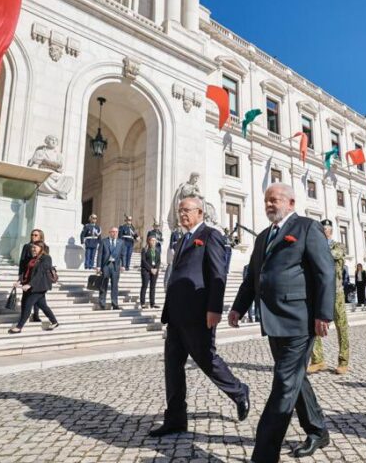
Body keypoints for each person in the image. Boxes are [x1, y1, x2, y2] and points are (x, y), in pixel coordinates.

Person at [229, 183, 334, 462]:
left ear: (290, 202)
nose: (269, 205)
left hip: (300, 320)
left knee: (284, 384)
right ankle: (318, 429)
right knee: (294, 379)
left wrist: (324, 313)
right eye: (266, 201)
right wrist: (238, 308)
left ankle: (263, 455)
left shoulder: (307, 227)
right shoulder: (263, 236)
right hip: (273, 321)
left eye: (274, 200)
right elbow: (254, 277)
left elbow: (325, 272)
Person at [149, 196, 250, 437]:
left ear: (200, 212)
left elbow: (218, 274)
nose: (182, 214)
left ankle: (239, 391)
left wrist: (214, 308)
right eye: (179, 210)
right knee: (172, 367)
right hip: (175, 313)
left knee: (206, 360)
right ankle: (175, 418)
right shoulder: (182, 239)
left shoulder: (210, 235)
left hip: (198, 313)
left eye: (187, 210)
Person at [308, 219, 350, 376]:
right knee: (313, 325)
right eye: (321, 229)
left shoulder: (338, 246)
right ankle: (318, 360)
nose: (323, 231)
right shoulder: (315, 247)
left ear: (330, 231)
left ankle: (343, 361)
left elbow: (331, 255)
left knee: (341, 326)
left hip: (336, 292)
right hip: (318, 292)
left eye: (325, 229)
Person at [9, 241, 59, 333]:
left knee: (28, 305)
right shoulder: (33, 259)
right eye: (32, 248)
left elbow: (40, 273)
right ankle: (54, 322)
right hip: (30, 285)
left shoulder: (46, 258)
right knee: (42, 305)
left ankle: (19, 327)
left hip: (39, 286)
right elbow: (27, 272)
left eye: (35, 247)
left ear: (41, 248)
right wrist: (19, 281)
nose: (33, 249)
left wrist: (30, 284)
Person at [19, 229, 47, 322]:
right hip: (27, 274)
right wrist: (20, 275)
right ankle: (23, 315)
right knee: (25, 297)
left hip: (38, 276)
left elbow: (45, 262)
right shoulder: (27, 246)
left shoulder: (45, 247)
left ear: (40, 237)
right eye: (32, 235)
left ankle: (36, 315)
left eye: (36, 235)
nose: (33, 236)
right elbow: (22, 261)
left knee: (37, 297)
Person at [96, 227, 123, 310]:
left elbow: (123, 255)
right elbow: (100, 254)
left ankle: (115, 304)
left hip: (115, 267)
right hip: (106, 266)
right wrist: (98, 266)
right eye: (113, 232)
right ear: (109, 232)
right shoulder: (104, 241)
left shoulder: (121, 242)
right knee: (104, 285)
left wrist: (123, 265)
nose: (114, 233)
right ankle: (102, 303)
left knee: (115, 286)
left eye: (116, 232)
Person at [140, 235, 160, 309]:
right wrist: (150, 269)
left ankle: (152, 303)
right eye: (152, 240)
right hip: (146, 270)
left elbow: (158, 261)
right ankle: (143, 303)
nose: (153, 242)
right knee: (144, 286)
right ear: (148, 241)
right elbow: (143, 261)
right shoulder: (144, 250)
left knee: (153, 287)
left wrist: (156, 269)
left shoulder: (157, 250)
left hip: (155, 271)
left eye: (155, 240)